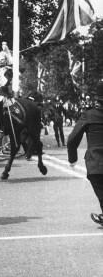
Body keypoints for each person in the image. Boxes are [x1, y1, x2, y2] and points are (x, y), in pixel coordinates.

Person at [67, 79, 103, 227]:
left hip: (96, 161)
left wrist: (72, 159)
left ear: (97, 100)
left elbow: (72, 139)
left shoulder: (88, 115)